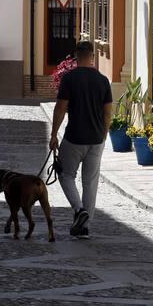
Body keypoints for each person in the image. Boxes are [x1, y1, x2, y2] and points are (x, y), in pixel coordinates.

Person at [49, 40, 113, 238]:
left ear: (77, 55)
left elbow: (60, 108)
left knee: (66, 174)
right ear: (92, 56)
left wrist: (53, 135)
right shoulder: (103, 81)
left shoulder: (70, 79)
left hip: (74, 137)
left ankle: (79, 210)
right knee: (90, 182)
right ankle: (84, 228)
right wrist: (103, 134)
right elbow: (108, 113)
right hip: (96, 139)